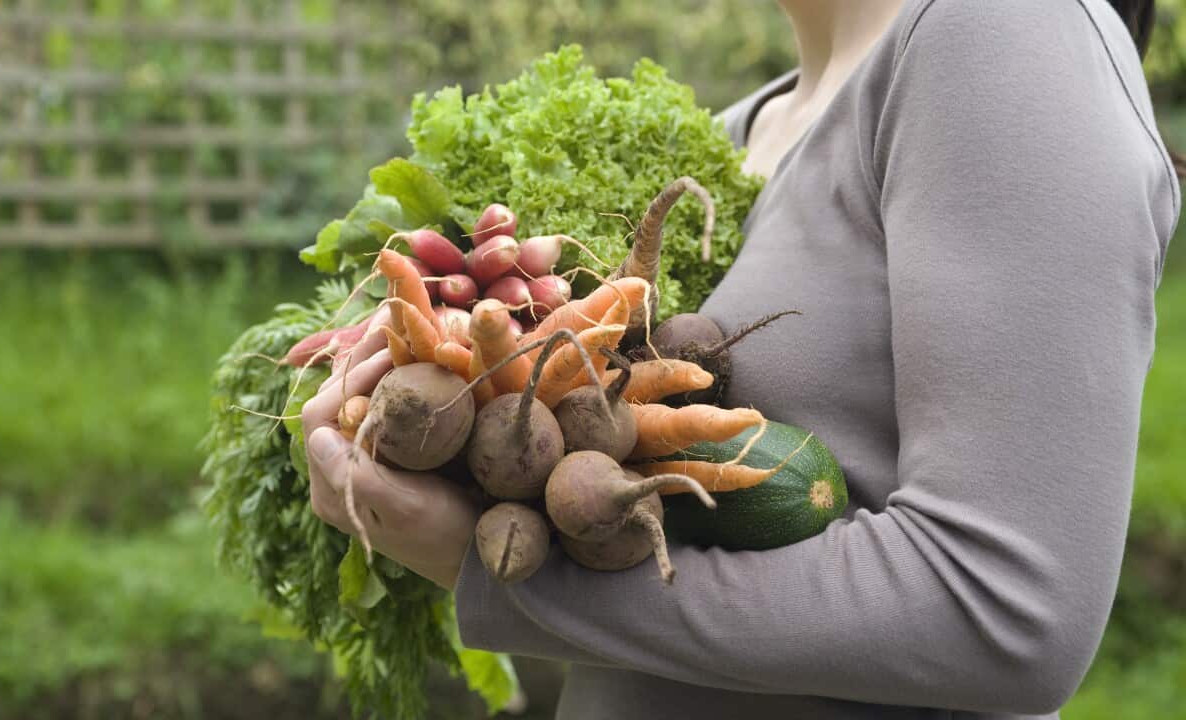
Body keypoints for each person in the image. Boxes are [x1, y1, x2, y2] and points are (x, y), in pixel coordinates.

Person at [298, 0, 1178, 717]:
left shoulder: (1006, 31)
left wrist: (500, 578)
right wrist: (432, 434)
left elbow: (1004, 612)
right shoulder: (744, 128)